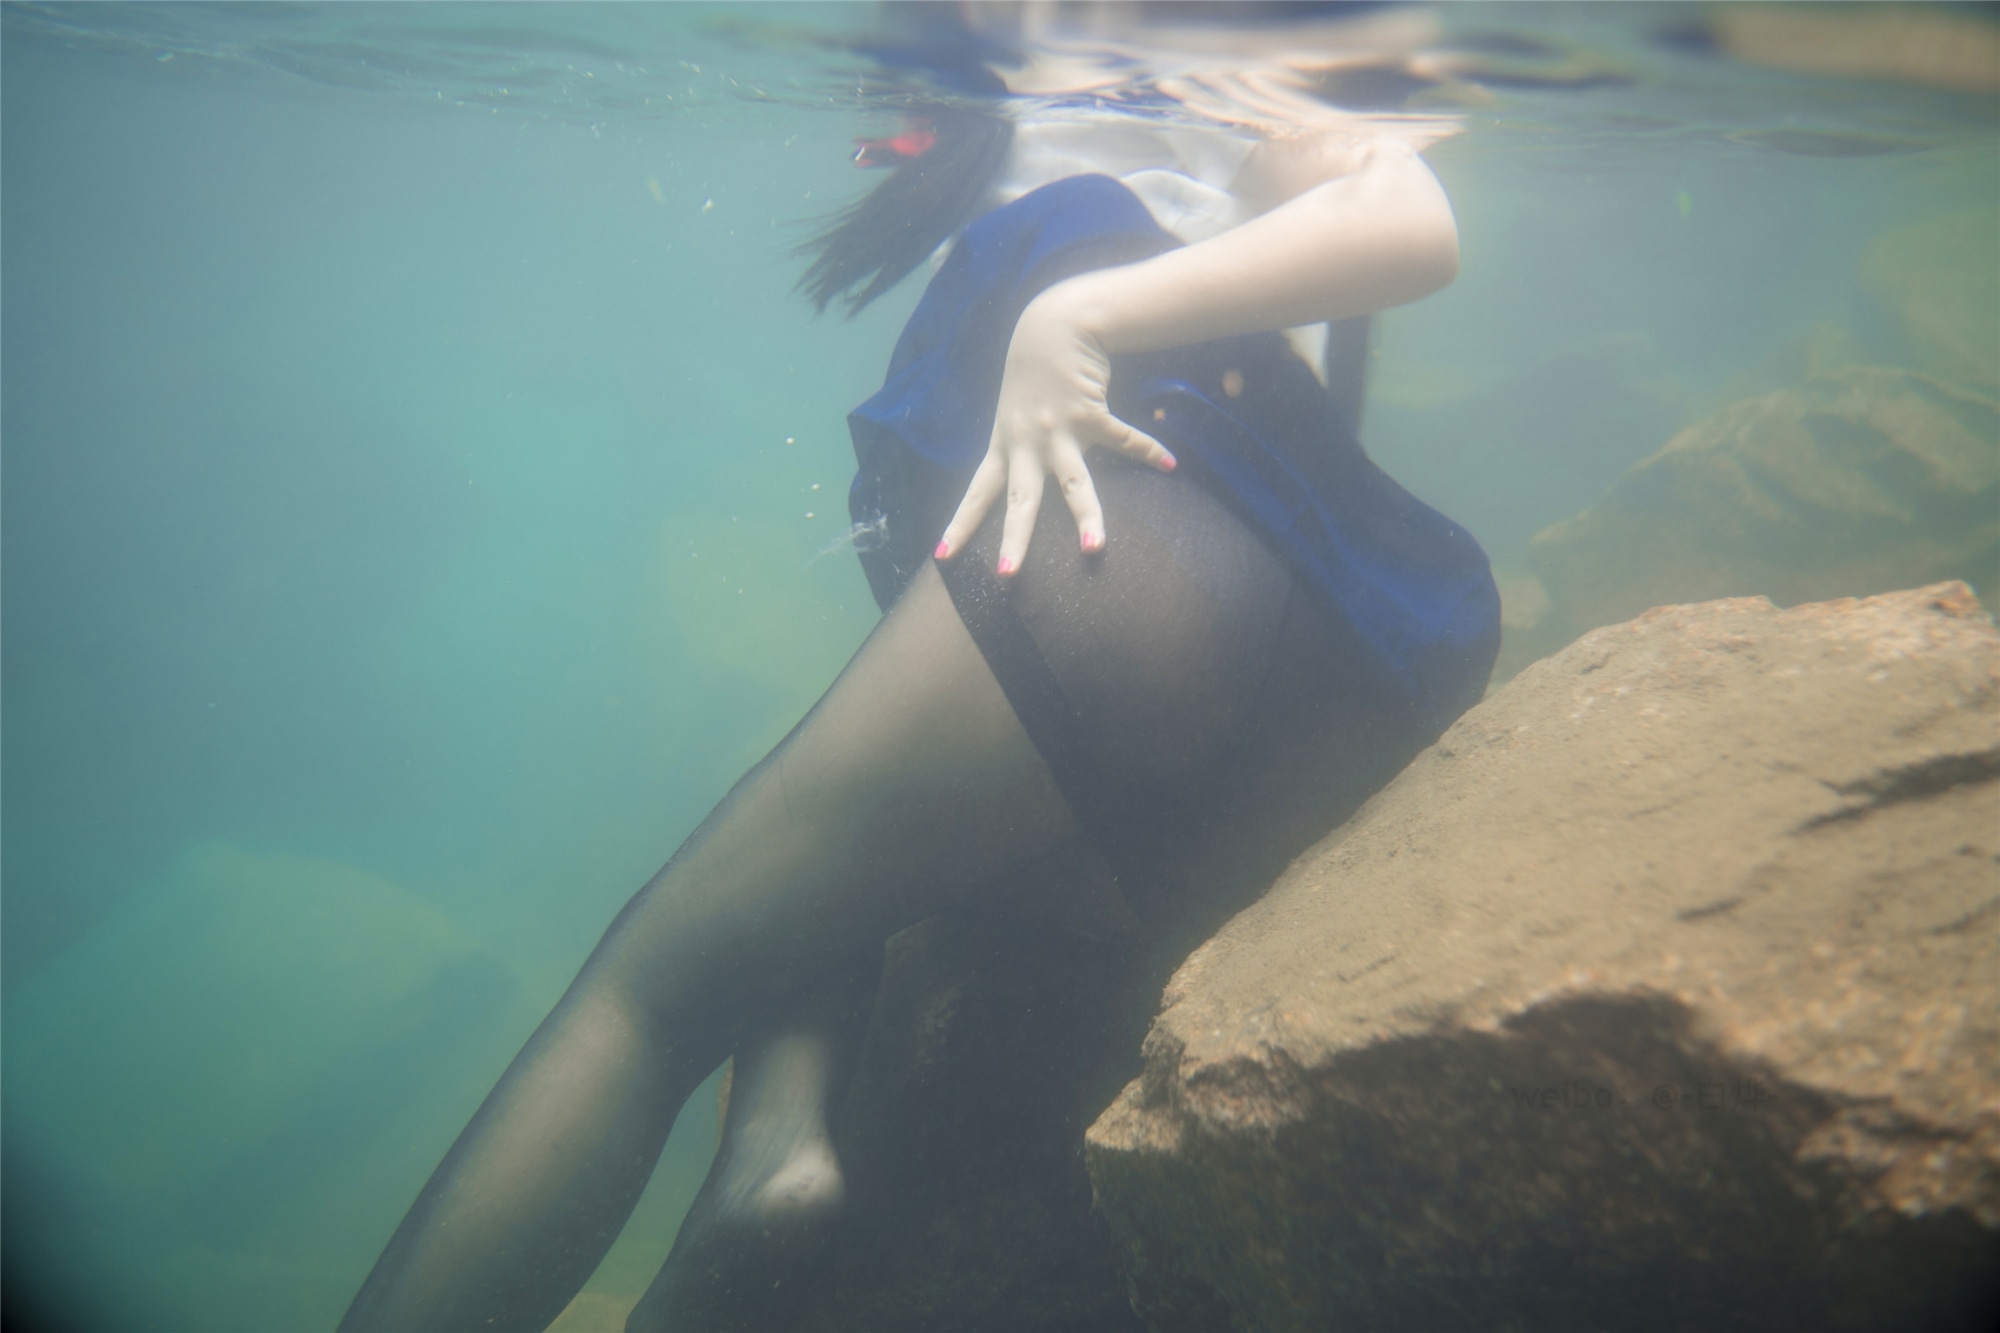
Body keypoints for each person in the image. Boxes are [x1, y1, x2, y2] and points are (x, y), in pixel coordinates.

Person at [340, 10, 1500, 1331]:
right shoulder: (1077, 84)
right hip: (1312, 661)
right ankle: (776, 1132)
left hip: (1127, 571)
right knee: (839, 854)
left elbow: (1412, 217)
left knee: (649, 996)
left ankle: (777, 1151)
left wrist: (1077, 313)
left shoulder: (1151, 45)